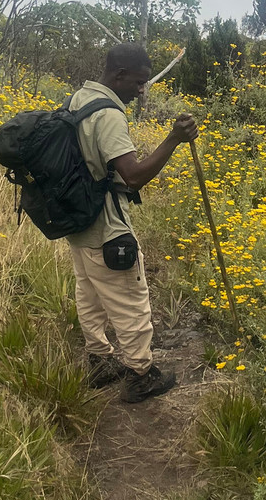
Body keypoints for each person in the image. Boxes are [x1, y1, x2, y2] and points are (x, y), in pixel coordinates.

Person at [66, 42, 199, 403]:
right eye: (139, 82)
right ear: (120, 74)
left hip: (79, 220)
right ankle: (141, 375)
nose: (142, 90)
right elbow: (134, 176)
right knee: (130, 298)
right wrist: (173, 139)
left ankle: (100, 361)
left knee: (89, 292)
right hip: (107, 225)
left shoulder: (80, 98)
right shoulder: (108, 114)